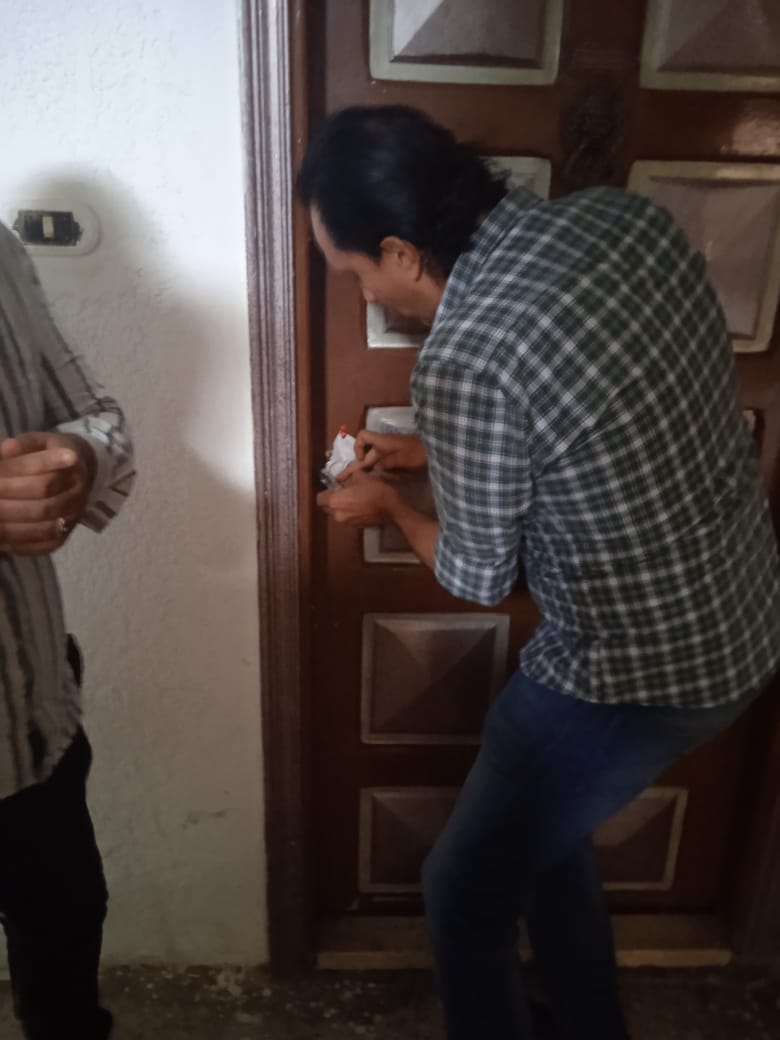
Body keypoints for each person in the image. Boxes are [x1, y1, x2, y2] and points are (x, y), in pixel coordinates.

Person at [300, 105, 780, 1040]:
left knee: (463, 893)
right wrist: (434, 456)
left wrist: (389, 508)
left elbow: (479, 575)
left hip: (637, 671)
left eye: (354, 272)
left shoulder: (465, 356)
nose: (365, 292)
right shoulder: (620, 219)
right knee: (542, 837)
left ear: (400, 253)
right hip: (744, 614)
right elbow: (598, 419)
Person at [0, 219, 135, 1039]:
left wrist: (76, 462)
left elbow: (98, 417)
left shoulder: (1, 251)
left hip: (33, 729)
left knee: (65, 975)